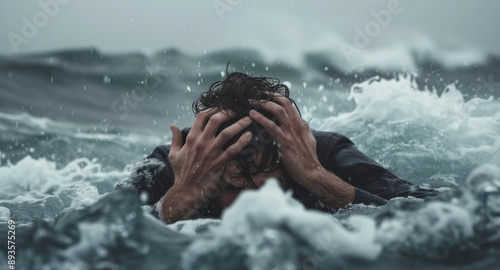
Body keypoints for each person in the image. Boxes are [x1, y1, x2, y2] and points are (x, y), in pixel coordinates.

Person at [116, 71, 438, 224]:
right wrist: (176, 202)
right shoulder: (179, 165)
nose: (250, 208)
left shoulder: (321, 155)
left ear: (287, 169)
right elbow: (93, 232)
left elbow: (440, 213)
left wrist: (318, 178)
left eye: (264, 189)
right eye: (230, 187)